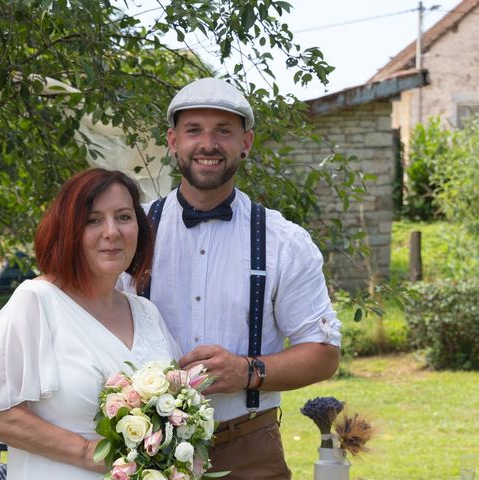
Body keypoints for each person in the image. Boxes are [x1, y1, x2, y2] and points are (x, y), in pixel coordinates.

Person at [123, 78, 342, 479]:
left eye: (223, 131)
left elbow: (324, 354)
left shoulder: (284, 241)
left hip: (248, 447)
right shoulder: (129, 233)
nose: (208, 144)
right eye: (194, 131)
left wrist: (247, 371)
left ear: (246, 143)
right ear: (172, 141)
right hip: (146, 447)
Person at [0, 169, 180, 480]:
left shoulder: (146, 312)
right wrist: (90, 454)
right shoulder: (36, 302)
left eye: (123, 217)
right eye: (93, 220)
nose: (111, 231)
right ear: (68, 230)